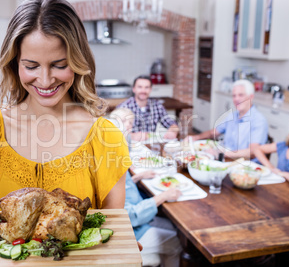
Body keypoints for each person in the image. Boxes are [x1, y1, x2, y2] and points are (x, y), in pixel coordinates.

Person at [0, 0, 131, 213]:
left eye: (60, 65)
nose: (46, 80)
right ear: (14, 63)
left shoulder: (106, 136)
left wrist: (124, 244)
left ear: (78, 62)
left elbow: (112, 224)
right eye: (31, 66)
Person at [110, 108, 182, 267]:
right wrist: (162, 197)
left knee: (175, 227)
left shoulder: (114, 160)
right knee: (177, 241)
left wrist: (136, 177)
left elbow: (122, 188)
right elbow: (129, 215)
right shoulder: (113, 165)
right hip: (132, 231)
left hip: (138, 220)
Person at [190, 79, 268, 160]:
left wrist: (221, 154)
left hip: (245, 166)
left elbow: (252, 152)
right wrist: (195, 138)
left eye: (241, 95)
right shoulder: (233, 115)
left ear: (251, 97)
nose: (236, 99)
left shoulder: (259, 121)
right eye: (234, 96)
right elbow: (214, 132)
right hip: (227, 159)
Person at [116, 75, 179, 142]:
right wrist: (132, 136)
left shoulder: (157, 106)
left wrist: (173, 131)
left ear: (150, 89)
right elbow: (115, 132)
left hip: (152, 147)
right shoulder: (124, 107)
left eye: (147, 87)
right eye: (140, 87)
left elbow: (171, 123)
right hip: (130, 146)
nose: (143, 91)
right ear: (134, 89)